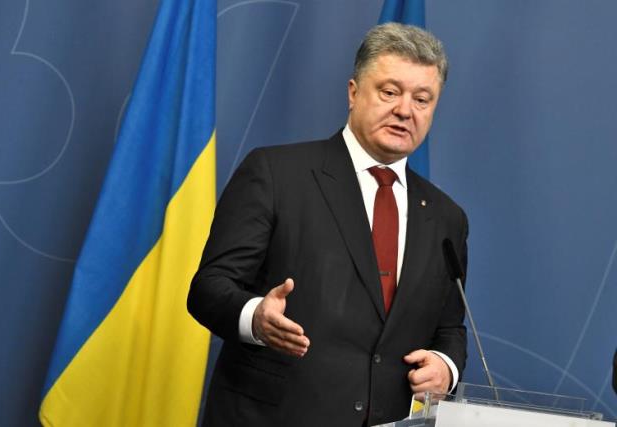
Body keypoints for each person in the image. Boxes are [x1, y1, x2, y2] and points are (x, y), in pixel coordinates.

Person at [188, 23, 468, 427]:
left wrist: (445, 366)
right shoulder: (275, 173)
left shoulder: (446, 217)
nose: (405, 110)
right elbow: (209, 288)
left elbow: (450, 327)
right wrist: (256, 318)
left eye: (422, 99)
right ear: (354, 93)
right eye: (389, 92)